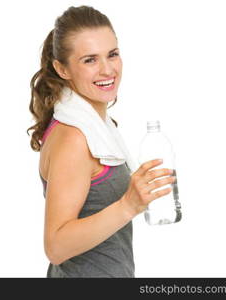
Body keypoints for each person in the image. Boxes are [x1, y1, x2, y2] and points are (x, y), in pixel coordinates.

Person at [27, 5, 176, 278]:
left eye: (113, 54)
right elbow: (56, 247)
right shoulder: (74, 137)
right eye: (90, 60)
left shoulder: (94, 126)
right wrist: (128, 205)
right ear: (62, 68)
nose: (108, 69)